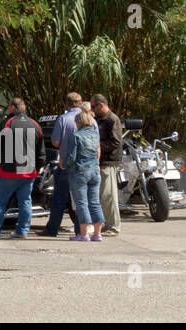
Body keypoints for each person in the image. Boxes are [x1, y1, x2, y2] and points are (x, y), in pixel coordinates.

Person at [0, 98, 44, 239]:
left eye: (9, 107)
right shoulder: (35, 125)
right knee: (25, 201)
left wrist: (0, 160)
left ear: (13, 107)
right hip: (28, 171)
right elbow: (41, 152)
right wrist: (37, 167)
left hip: (9, 171)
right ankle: (22, 231)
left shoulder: (7, 124)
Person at [40, 92, 83, 237]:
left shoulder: (63, 119)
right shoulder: (90, 121)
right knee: (80, 199)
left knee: (59, 198)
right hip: (84, 165)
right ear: (81, 103)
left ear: (66, 104)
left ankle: (52, 229)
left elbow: (56, 142)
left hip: (66, 164)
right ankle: (80, 231)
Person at [62, 107, 104, 241]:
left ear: (79, 122)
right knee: (95, 202)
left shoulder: (76, 136)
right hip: (95, 171)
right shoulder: (95, 134)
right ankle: (97, 234)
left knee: (81, 203)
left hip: (80, 172)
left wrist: (64, 165)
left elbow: (71, 157)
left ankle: (84, 234)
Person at [92, 94, 123, 235]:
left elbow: (115, 142)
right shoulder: (99, 119)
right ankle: (107, 223)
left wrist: (96, 146)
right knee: (102, 195)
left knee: (108, 195)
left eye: (94, 106)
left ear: (101, 105)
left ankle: (113, 226)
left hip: (109, 162)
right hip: (100, 161)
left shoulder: (112, 120)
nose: (92, 110)